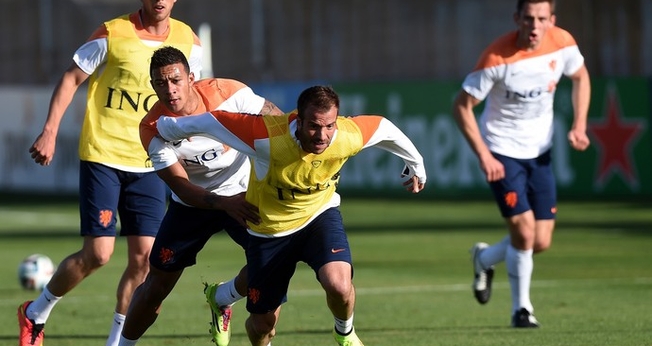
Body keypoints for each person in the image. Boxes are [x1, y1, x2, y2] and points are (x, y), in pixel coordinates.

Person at [155, 85, 427, 346]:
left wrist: (416, 164)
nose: (322, 135)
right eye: (314, 126)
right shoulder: (267, 137)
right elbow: (215, 121)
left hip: (319, 216)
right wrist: (167, 128)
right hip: (270, 230)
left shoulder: (347, 135)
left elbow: (384, 127)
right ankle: (222, 296)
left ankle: (345, 333)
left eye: (329, 126)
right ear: (298, 119)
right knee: (263, 326)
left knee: (339, 284)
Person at [21, 2, 202, 346]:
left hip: (150, 162)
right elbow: (72, 77)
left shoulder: (188, 41)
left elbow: (194, 94)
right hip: (103, 155)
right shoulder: (112, 32)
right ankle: (36, 312)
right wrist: (50, 130)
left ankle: (117, 342)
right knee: (99, 254)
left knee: (145, 261)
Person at [117, 46, 284, 346]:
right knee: (155, 286)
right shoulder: (153, 128)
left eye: (176, 80)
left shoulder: (230, 94)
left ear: (192, 77)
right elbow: (180, 186)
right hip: (191, 205)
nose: (169, 90)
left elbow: (277, 120)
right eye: (160, 83)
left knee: (273, 269)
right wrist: (223, 204)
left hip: (243, 193)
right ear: (152, 86)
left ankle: (223, 298)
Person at [452, 0, 590, 328]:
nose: (535, 25)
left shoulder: (563, 43)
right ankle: (521, 310)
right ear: (517, 19)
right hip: (502, 151)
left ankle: (484, 258)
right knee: (524, 233)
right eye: (528, 18)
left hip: (540, 152)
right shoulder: (496, 58)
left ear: (551, 20)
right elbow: (461, 107)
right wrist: (485, 155)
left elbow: (581, 77)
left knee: (540, 241)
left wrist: (580, 124)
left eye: (542, 18)